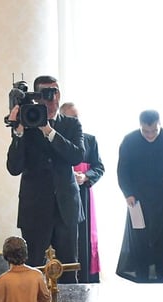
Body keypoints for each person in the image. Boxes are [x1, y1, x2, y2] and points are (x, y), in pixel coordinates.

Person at [6, 75, 85, 278]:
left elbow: (76, 156)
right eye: (45, 94)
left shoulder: (71, 124)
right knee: (32, 270)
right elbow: (14, 167)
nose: (51, 99)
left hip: (65, 208)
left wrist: (49, 131)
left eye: (55, 92)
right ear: (36, 97)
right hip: (34, 209)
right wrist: (19, 133)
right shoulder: (26, 124)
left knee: (69, 269)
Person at [116, 110, 163, 283]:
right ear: (140, 126)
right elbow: (122, 170)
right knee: (140, 239)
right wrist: (127, 193)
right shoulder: (129, 140)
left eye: (154, 131)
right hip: (138, 198)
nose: (150, 135)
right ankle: (142, 278)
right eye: (146, 131)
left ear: (160, 123)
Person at [59, 102, 105, 283]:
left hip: (83, 196)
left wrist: (85, 176)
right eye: (72, 118)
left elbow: (99, 167)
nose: (76, 121)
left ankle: (86, 279)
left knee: (84, 239)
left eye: (77, 117)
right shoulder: (55, 139)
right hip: (62, 196)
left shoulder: (89, 140)